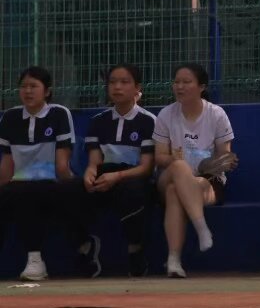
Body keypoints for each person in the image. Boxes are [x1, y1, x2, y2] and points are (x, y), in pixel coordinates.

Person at [0, 66, 99, 281]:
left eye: (33, 86)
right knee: (15, 193)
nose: (28, 91)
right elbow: (7, 164)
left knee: (64, 192)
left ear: (46, 91)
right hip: (20, 186)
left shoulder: (58, 114)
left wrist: (70, 189)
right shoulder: (10, 117)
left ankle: (71, 250)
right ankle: (35, 259)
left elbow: (62, 165)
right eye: (24, 86)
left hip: (52, 183)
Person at [153, 63, 237, 279]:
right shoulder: (166, 114)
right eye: (177, 82)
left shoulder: (216, 114)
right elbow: (159, 157)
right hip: (171, 174)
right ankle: (201, 227)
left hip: (206, 180)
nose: (180, 86)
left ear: (201, 87)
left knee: (175, 192)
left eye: (186, 82)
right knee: (179, 167)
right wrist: (178, 160)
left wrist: (214, 164)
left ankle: (173, 260)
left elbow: (225, 156)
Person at [82, 62, 158, 276]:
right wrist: (90, 173)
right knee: (69, 191)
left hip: (133, 178)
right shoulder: (98, 121)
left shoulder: (149, 121)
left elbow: (146, 168)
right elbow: (94, 161)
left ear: (137, 88)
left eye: (124, 82)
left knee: (132, 190)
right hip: (105, 176)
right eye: (113, 82)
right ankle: (84, 248)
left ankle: (136, 250)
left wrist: (117, 176)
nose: (117, 87)